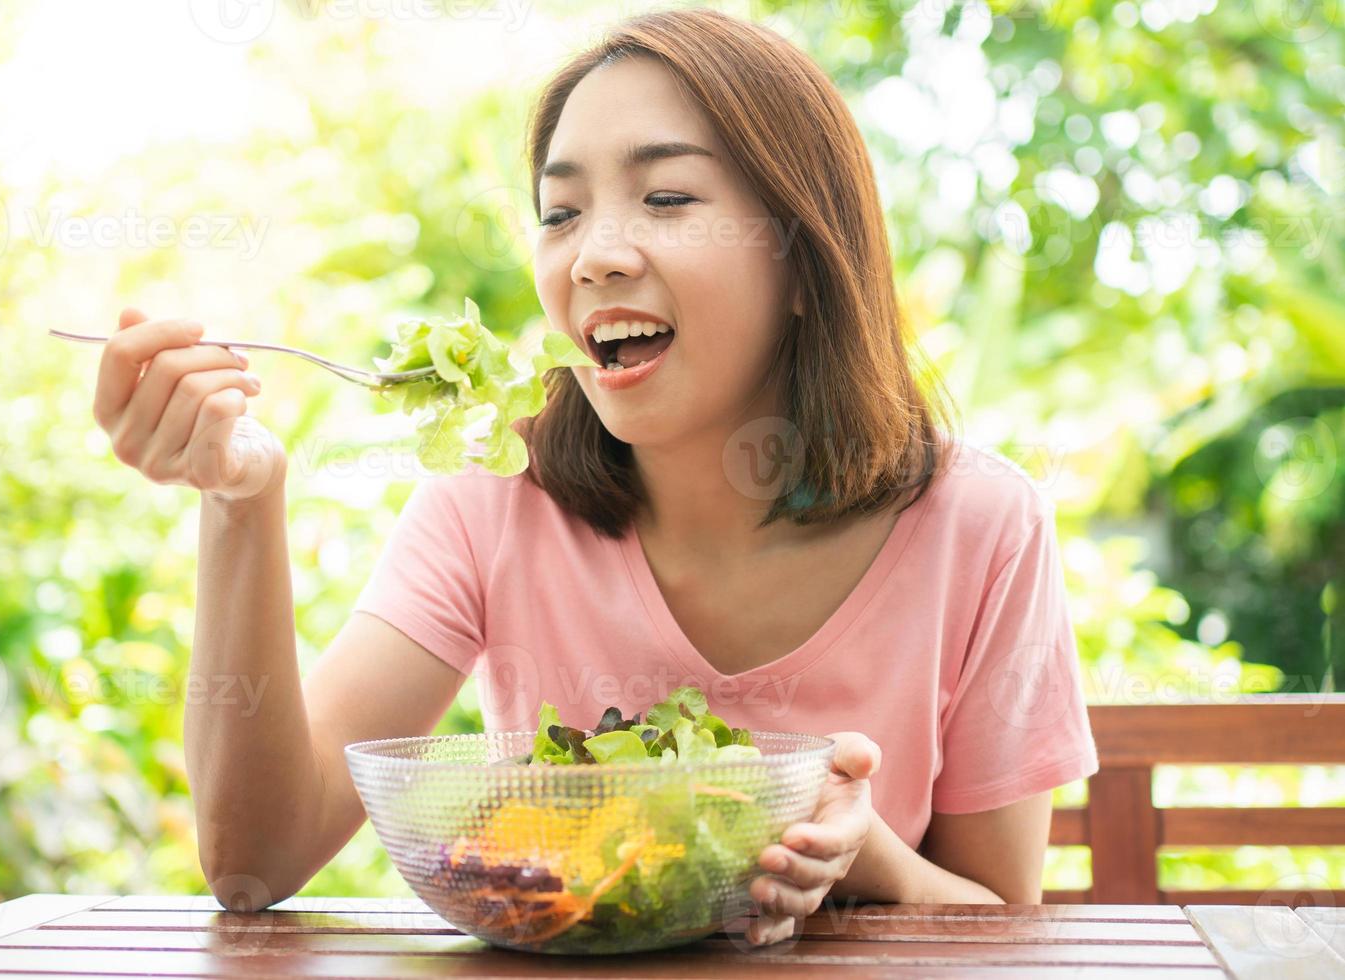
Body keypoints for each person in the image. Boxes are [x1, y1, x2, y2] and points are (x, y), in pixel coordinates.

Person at [90, 7, 1098, 948]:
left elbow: (1003, 924)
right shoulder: (492, 496)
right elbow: (254, 859)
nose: (594, 256)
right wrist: (240, 498)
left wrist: (868, 859)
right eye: (560, 211)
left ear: (799, 259)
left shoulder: (978, 523)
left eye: (665, 196)